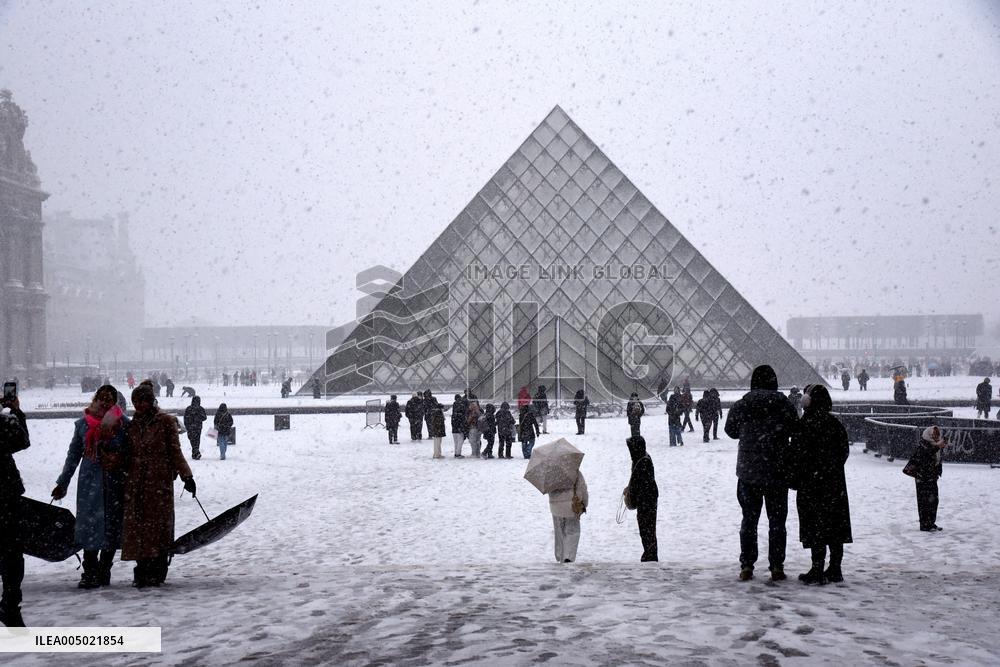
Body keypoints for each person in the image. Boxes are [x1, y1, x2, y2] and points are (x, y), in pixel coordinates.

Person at [725, 364, 798, 582]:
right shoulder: (783, 403)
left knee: (749, 519)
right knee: (777, 522)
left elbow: (730, 431)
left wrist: (748, 434)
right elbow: (795, 429)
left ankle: (747, 564)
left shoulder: (744, 404)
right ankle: (776, 565)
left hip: (749, 471)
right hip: (777, 471)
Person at [52, 385, 130, 589]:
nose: (105, 402)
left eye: (109, 399)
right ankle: (89, 571)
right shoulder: (83, 425)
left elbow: (131, 451)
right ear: (95, 399)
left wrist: (118, 458)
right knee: (89, 527)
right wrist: (63, 482)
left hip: (114, 481)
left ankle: (104, 569)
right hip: (89, 483)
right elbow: (73, 456)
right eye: (102, 398)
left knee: (112, 526)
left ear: (115, 402)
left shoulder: (123, 424)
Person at [122, 383, 196, 588]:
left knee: (158, 527)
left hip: (158, 483)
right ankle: (142, 567)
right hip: (137, 484)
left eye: (142, 400)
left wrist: (186, 476)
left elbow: (175, 452)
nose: (138, 405)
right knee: (139, 527)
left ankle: (158, 567)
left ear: (151, 400)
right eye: (135, 401)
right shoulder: (133, 424)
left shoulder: (165, 422)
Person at [788, 385, 852, 585]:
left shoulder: (805, 423)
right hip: (834, 483)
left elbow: (796, 452)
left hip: (811, 483)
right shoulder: (834, 423)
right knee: (835, 526)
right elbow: (843, 451)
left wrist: (800, 474)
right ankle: (835, 568)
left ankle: (817, 568)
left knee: (815, 525)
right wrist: (831, 468)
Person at [0, 392, 30, 627]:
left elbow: (20, 442)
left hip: (6, 493)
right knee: (12, 553)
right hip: (6, 492)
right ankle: (10, 604)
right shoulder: (4, 421)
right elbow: (21, 441)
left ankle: (10, 603)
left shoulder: (4, 420)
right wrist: (15, 412)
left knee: (12, 553)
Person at [907, 426, 947, 532]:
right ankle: (924, 524)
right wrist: (938, 447)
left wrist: (938, 471)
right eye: (934, 435)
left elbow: (936, 459)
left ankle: (931, 522)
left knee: (934, 500)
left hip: (932, 477)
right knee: (924, 501)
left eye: (937, 435)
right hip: (922, 477)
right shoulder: (923, 444)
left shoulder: (935, 445)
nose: (936, 437)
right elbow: (926, 455)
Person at [626, 436, 659, 561]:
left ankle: (650, 554)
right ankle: (650, 552)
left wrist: (631, 492)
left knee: (647, 528)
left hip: (646, 501)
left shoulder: (642, 461)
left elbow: (640, 484)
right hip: (648, 499)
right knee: (648, 528)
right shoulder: (642, 458)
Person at [548, 469, 588, 563]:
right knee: (572, 532)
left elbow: (548, 489)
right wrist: (584, 503)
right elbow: (582, 488)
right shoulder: (574, 471)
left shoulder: (550, 474)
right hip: (571, 506)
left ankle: (560, 555)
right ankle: (568, 556)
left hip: (556, 507)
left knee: (559, 532)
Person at [183, 395, 207, 460]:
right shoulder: (200, 409)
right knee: (196, 440)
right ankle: (196, 452)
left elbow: (185, 418)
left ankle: (195, 452)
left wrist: (187, 425)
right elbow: (204, 417)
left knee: (193, 440)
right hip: (197, 427)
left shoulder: (189, 408)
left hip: (192, 428)